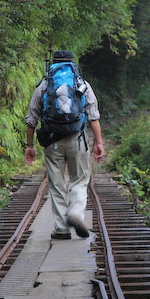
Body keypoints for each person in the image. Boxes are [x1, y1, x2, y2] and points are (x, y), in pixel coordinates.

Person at [24, 50, 104, 240]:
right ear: (72, 64)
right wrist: (98, 143)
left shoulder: (45, 85)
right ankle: (75, 213)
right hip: (77, 140)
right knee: (79, 180)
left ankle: (61, 229)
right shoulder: (81, 84)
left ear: (53, 64)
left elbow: (31, 119)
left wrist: (30, 146)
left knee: (57, 184)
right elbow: (93, 116)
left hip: (52, 142)